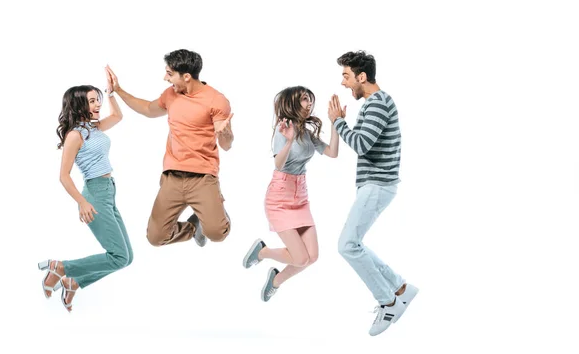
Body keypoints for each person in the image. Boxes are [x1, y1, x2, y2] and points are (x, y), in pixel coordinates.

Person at [329, 50, 418, 336]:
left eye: (346, 76)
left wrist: (338, 122)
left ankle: (388, 301)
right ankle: (401, 288)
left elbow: (361, 144)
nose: (343, 83)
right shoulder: (374, 103)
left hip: (378, 185)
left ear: (362, 76)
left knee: (347, 246)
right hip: (375, 185)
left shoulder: (378, 103)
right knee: (354, 244)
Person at [106, 49, 233, 249]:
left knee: (217, 234)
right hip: (172, 176)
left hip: (202, 177)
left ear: (187, 76)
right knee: (155, 238)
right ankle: (193, 227)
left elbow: (226, 145)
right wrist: (118, 90)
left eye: (170, 73)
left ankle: (215, 207)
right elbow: (148, 109)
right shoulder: (171, 95)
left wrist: (226, 134)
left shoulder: (216, 100)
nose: (166, 78)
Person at [38, 69, 132, 312]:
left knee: (127, 258)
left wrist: (111, 92)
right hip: (95, 194)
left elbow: (119, 116)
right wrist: (81, 202)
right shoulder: (75, 135)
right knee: (119, 257)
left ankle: (74, 282)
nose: (97, 104)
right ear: (80, 104)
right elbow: (63, 175)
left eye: (97, 99)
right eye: (92, 101)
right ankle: (61, 268)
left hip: (109, 191)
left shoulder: (94, 127)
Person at [242, 86, 339, 302]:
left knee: (311, 257)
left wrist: (335, 123)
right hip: (280, 197)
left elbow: (332, 153)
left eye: (310, 100)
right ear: (293, 103)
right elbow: (278, 163)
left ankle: (275, 281)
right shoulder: (283, 128)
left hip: (301, 197)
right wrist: (288, 141)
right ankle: (263, 252)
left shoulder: (306, 133)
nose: (310, 104)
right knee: (300, 257)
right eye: (305, 99)